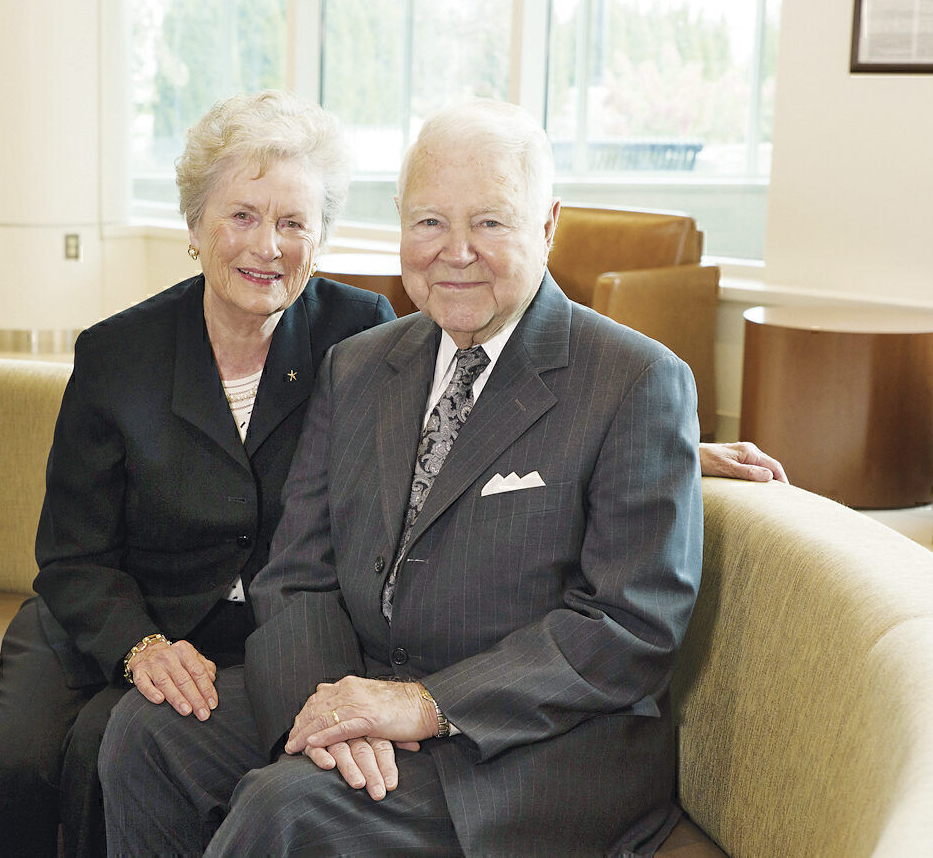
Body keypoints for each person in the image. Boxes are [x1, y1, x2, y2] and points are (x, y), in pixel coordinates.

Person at [99, 99, 709, 855]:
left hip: (526, 742)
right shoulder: (359, 365)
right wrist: (321, 713)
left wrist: (423, 706)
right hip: (364, 688)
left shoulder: (636, 381)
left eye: (490, 221)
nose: (455, 251)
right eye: (428, 222)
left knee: (286, 811)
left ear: (548, 225)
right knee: (147, 736)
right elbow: (298, 573)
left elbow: (630, 627)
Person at [0, 90, 396, 858]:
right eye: (242, 215)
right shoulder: (116, 353)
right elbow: (71, 555)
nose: (268, 246)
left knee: (105, 749)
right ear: (195, 226)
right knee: (14, 766)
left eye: (294, 222)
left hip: (249, 636)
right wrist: (140, 645)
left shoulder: (359, 336)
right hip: (107, 612)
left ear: (321, 236)